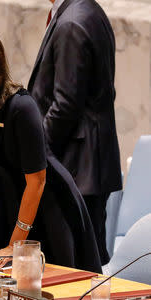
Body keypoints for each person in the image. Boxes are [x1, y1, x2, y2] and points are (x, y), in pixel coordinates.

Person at [0, 25, 102, 273]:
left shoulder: (20, 107)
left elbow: (37, 181)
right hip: (5, 202)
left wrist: (17, 244)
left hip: (48, 204)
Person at [27, 0, 122, 265]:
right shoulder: (87, 9)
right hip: (86, 165)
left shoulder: (72, 22)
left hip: (75, 168)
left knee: (76, 270)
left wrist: (35, 154)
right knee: (85, 266)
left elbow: (65, 105)